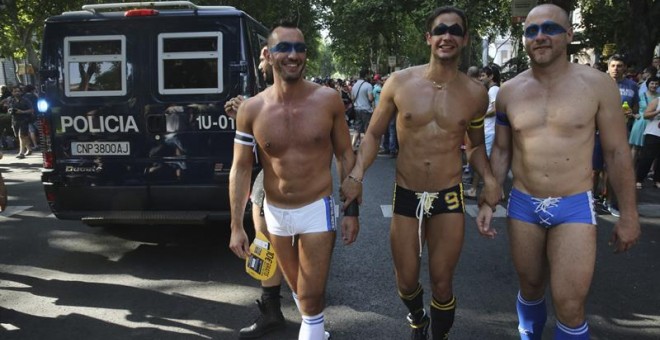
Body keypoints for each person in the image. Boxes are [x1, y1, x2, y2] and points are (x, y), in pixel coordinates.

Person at [478, 4, 641, 339]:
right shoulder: (510, 91)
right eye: (532, 30)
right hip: (524, 205)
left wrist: (629, 214)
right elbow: (504, 150)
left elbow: (616, 152)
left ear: (568, 34)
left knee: (569, 305)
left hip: (574, 207)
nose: (540, 36)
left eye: (550, 28)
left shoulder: (598, 86)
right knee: (531, 287)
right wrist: (487, 197)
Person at [341, 6, 500, 339]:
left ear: (465, 39)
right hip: (408, 193)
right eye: (440, 30)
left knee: (442, 282)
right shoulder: (399, 83)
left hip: (449, 195)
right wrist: (356, 175)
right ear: (429, 38)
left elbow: (473, 147)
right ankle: (417, 318)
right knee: (407, 280)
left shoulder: (475, 94)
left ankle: (439, 335)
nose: (447, 36)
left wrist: (490, 179)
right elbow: (371, 134)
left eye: (455, 30)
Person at [229, 21, 359, 340]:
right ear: (268, 55)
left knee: (312, 297)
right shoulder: (251, 109)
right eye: (283, 48)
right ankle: (315, 328)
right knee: (300, 292)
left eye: (299, 48)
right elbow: (241, 168)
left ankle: (313, 330)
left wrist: (352, 210)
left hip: (317, 208)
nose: (293, 55)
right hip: (274, 214)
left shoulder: (328, 100)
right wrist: (235, 225)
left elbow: (345, 155)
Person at [224, 45, 287, 339]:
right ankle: (271, 312)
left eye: (261, 62)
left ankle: (310, 320)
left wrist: (248, 112)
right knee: (265, 247)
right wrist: (243, 115)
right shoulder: (260, 99)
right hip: (267, 184)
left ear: (267, 56)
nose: (260, 68)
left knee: (274, 248)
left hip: (284, 183)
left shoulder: (283, 95)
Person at [465, 65, 501, 199]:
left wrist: (480, 115)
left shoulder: (493, 90)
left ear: (491, 76)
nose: (481, 78)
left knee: (482, 160)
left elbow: (496, 110)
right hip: (487, 129)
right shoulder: (491, 90)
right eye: (480, 75)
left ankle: (474, 189)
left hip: (489, 130)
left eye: (483, 75)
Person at [629, 76, 659, 168]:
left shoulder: (659, 97)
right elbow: (631, 108)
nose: (654, 85)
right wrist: (634, 115)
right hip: (641, 122)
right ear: (648, 84)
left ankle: (649, 171)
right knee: (636, 147)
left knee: (652, 149)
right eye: (652, 83)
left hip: (654, 124)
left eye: (656, 84)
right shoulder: (640, 95)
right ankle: (630, 168)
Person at [635, 96, 660, 189]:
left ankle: (657, 180)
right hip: (653, 132)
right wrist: (658, 111)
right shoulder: (657, 100)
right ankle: (639, 179)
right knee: (647, 158)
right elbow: (645, 115)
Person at [4, 86, 34, 158]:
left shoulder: (26, 100)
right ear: (12, 93)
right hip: (14, 120)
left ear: (21, 92)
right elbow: (9, 110)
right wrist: (10, 111)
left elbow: (32, 110)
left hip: (24, 120)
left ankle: (21, 153)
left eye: (18, 91)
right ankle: (29, 149)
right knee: (21, 136)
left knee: (22, 135)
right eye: (15, 91)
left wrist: (22, 112)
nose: (17, 93)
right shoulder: (11, 101)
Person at [350, 69, 374, 149]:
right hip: (366, 110)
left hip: (357, 109)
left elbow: (352, 98)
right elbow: (370, 99)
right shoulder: (368, 85)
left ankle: (352, 146)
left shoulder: (354, 85)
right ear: (366, 75)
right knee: (367, 130)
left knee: (357, 130)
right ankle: (366, 148)